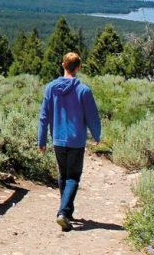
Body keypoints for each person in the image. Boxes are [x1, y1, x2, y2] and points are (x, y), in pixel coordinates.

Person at [37, 52, 101, 231]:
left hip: (58, 139)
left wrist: (42, 139)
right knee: (73, 177)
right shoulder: (83, 90)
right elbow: (92, 117)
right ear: (78, 67)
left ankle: (67, 211)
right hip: (76, 140)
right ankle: (63, 212)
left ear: (63, 65)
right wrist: (97, 136)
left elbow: (44, 116)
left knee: (63, 176)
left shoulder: (51, 88)